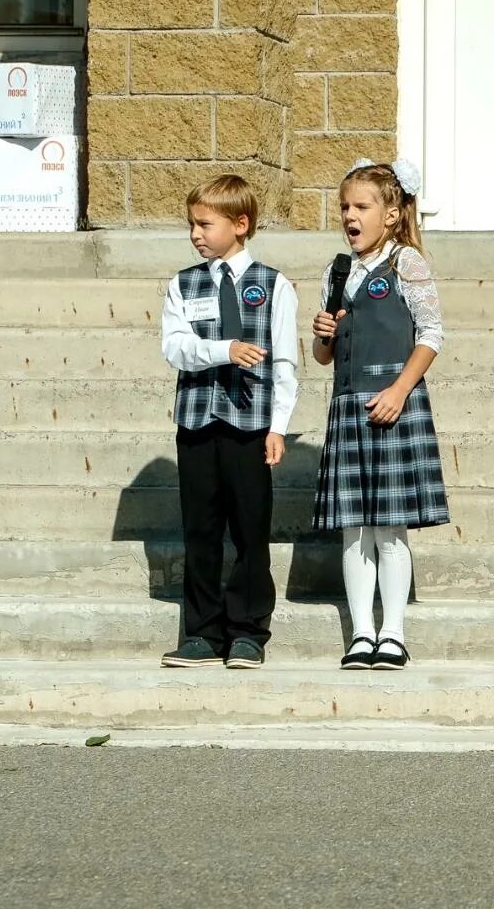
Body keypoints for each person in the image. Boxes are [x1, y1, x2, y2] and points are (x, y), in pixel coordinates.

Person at [311, 159, 449, 671]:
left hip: (394, 402)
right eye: (345, 206)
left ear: (391, 214)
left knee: (389, 527)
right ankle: (360, 634)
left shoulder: (405, 263)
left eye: (361, 206)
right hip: (348, 402)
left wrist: (399, 390)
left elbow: (431, 333)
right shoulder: (338, 270)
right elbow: (324, 357)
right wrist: (324, 334)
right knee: (355, 528)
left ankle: (393, 632)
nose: (350, 215)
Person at [159, 175, 298, 669]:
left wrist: (278, 425)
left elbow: (284, 362)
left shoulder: (274, 284)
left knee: (249, 528)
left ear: (240, 225)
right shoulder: (183, 283)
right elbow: (174, 346)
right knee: (200, 527)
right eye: (191, 224)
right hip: (197, 422)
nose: (195, 233)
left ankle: (247, 630)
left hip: (251, 424)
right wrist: (222, 350)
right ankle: (201, 631)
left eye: (204, 223)